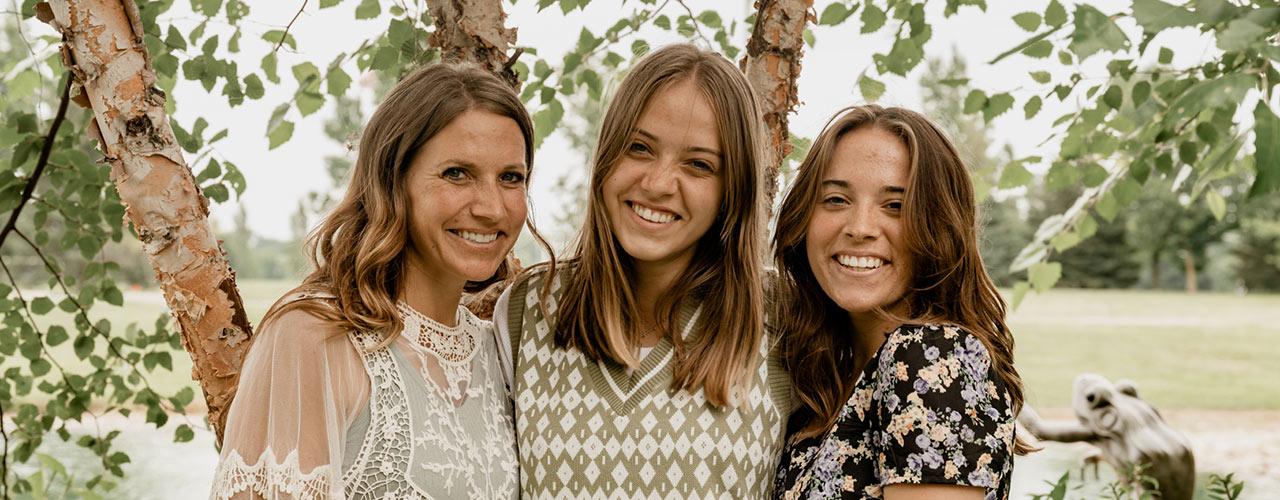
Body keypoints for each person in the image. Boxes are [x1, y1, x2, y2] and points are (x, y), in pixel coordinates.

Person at [210, 62, 547, 499]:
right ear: (393, 180)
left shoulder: (497, 352)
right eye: (456, 173)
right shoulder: (316, 337)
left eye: (510, 178)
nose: (491, 208)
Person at [494, 43, 792, 498]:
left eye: (698, 165)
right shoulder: (528, 310)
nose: (656, 184)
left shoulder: (780, 319)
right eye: (639, 148)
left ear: (733, 188)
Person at [770, 105, 1029, 499]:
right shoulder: (828, 377)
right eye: (836, 199)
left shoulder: (934, 359)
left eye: (895, 206)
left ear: (938, 226)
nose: (859, 228)